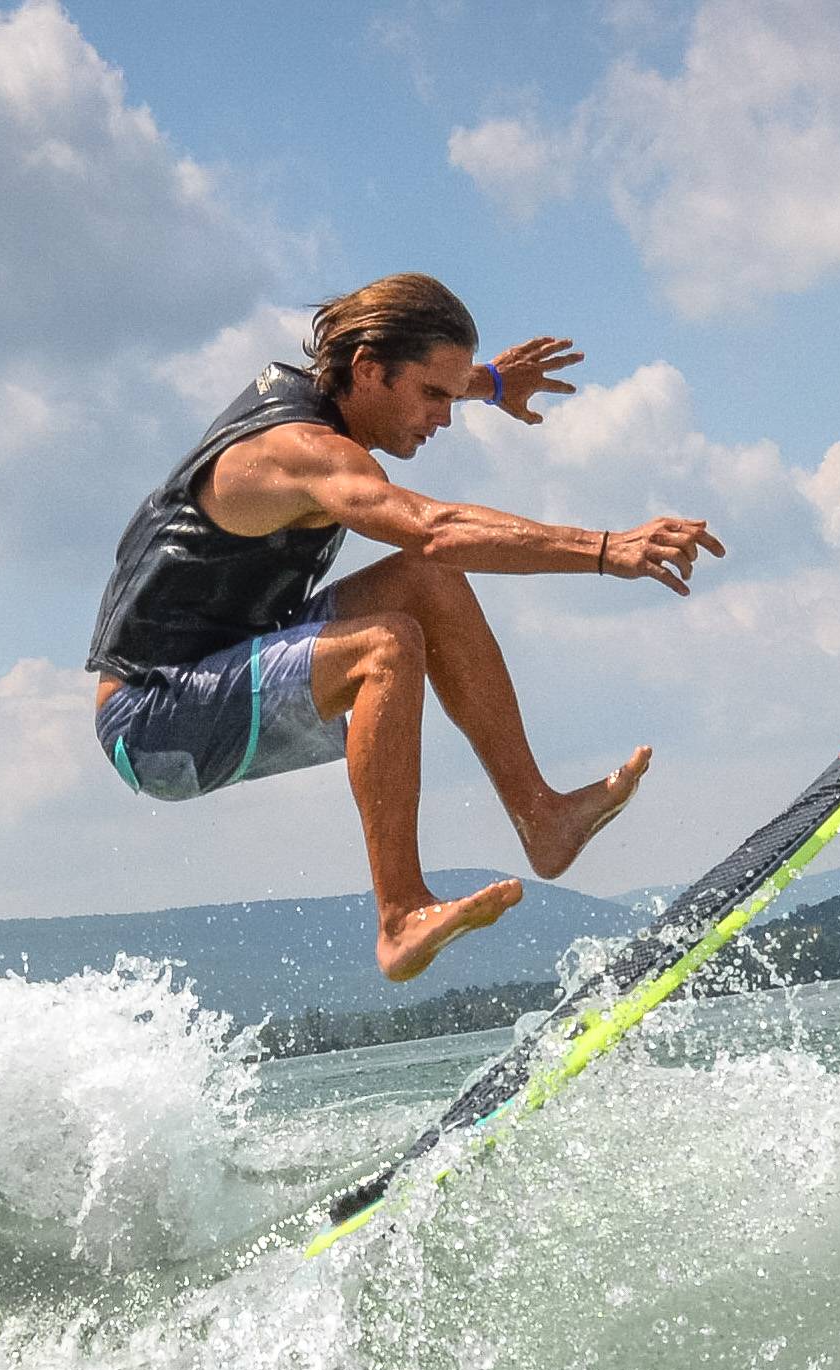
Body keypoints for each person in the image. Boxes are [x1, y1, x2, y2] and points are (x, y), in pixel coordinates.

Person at [86, 273, 724, 981]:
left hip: (227, 661)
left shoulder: (341, 395)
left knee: (428, 585)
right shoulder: (305, 453)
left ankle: (540, 816)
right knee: (387, 642)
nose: (444, 417)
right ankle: (399, 916)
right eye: (433, 396)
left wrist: (490, 382)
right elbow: (438, 528)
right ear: (367, 371)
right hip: (153, 722)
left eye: (452, 397)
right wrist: (605, 549)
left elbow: (424, 483)